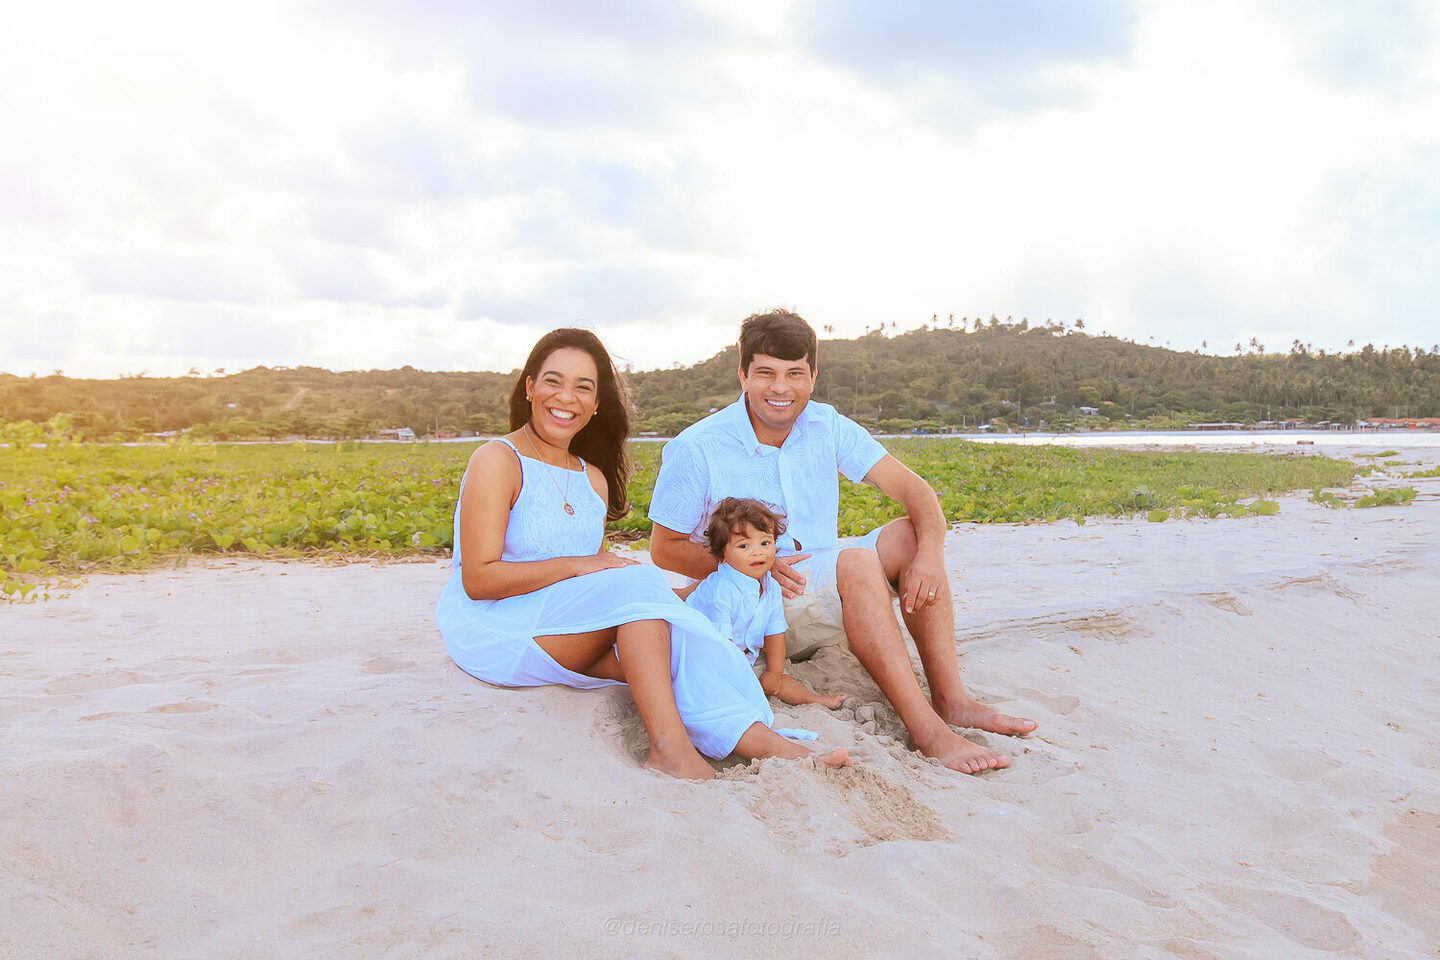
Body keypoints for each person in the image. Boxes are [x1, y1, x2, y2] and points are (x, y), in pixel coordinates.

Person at [435, 327, 846, 781]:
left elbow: (592, 592)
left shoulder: (592, 478)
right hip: (495, 627)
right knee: (641, 586)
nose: (566, 397)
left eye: (583, 387)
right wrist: (583, 564)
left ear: (595, 404)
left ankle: (766, 744)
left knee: (675, 649)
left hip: (556, 627)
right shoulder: (498, 459)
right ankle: (669, 749)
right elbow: (477, 580)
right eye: (553, 381)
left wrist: (687, 592)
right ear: (531, 388)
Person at [648, 309, 1037, 774]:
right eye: (765, 373)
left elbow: (918, 493)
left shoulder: (825, 424)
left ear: (813, 377)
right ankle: (929, 733)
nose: (780, 388)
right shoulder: (698, 447)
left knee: (908, 535)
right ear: (743, 376)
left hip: (819, 593)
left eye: (795, 373)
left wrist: (929, 557)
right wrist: (752, 565)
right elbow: (663, 547)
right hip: (749, 607)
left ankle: (952, 701)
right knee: (854, 562)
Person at [685, 497, 844, 709]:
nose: (758, 551)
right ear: (722, 554)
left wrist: (774, 672)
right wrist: (738, 676)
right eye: (744, 546)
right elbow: (719, 644)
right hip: (704, 658)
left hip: (742, 657)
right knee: (726, 689)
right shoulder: (722, 590)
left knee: (779, 683)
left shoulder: (770, 587)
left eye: (765, 543)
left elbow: (774, 632)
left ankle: (813, 700)